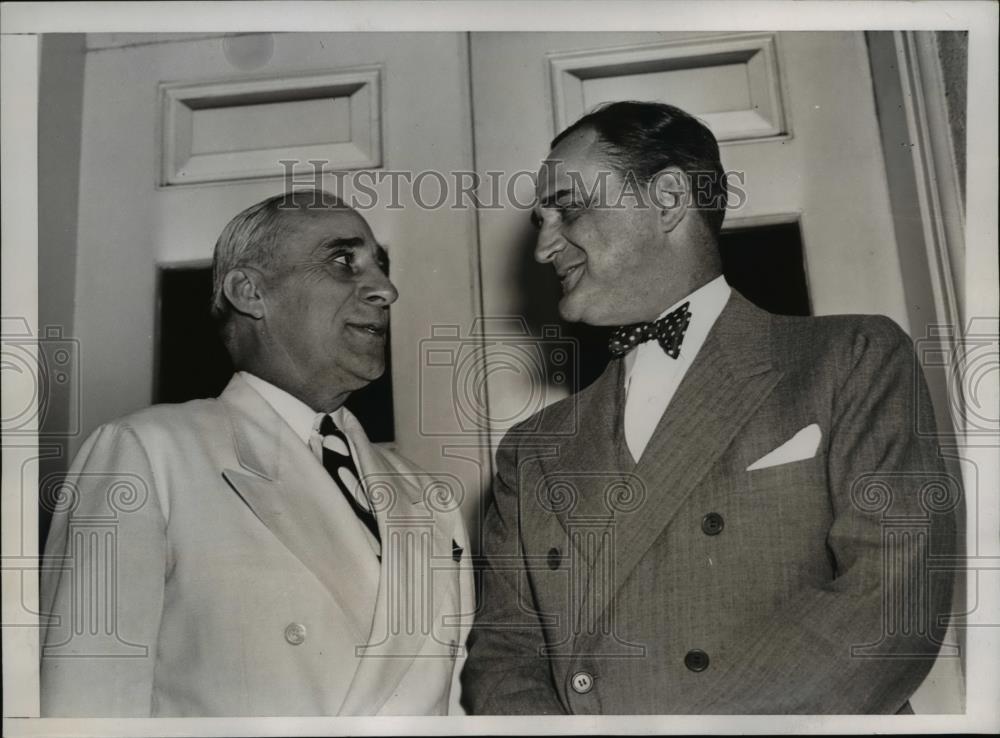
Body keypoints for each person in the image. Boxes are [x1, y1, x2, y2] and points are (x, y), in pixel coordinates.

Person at [461, 101, 959, 714]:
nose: (543, 247)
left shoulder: (850, 358)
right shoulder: (532, 449)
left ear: (669, 198)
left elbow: (889, 605)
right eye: (541, 219)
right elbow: (506, 654)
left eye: (569, 208)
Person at [41, 190, 473, 716]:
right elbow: (83, 708)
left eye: (381, 267)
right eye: (344, 261)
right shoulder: (147, 454)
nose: (386, 289)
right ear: (250, 292)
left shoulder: (429, 498)